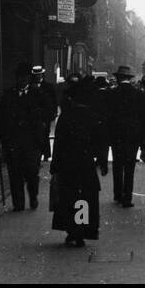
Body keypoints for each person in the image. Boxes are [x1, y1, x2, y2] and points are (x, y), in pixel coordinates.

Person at [50, 77, 106, 247]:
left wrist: (55, 165)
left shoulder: (66, 117)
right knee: (85, 197)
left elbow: (58, 143)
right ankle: (82, 230)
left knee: (70, 196)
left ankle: (72, 230)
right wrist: (102, 161)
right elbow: (100, 142)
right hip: (85, 163)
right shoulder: (92, 116)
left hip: (68, 163)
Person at [0, 62, 46, 211]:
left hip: (31, 141)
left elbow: (48, 111)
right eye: (20, 77)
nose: (22, 80)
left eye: (25, 77)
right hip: (13, 141)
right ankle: (18, 204)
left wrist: (39, 124)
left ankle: (33, 195)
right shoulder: (9, 95)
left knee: (31, 172)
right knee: (15, 172)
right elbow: (0, 115)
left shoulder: (38, 93)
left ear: (29, 78)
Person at [107, 65, 142, 207]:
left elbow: (108, 116)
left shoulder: (112, 94)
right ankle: (127, 197)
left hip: (116, 135)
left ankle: (117, 194)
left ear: (118, 78)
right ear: (129, 78)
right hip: (132, 136)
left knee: (117, 165)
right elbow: (141, 117)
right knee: (129, 168)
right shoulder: (137, 94)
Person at [29, 65, 56, 162]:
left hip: (45, 115)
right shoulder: (30, 86)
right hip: (35, 115)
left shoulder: (48, 86)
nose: (38, 76)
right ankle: (39, 153)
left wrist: (53, 113)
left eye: (39, 75)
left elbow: (53, 101)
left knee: (45, 134)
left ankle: (46, 154)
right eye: (36, 75)